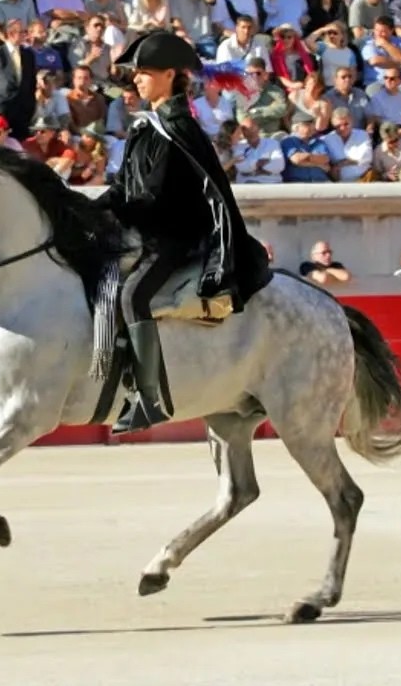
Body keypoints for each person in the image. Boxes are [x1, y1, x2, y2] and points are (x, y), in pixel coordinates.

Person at [89, 30, 272, 435]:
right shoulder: (146, 126)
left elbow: (153, 198)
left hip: (176, 240)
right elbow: (123, 190)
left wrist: (118, 213)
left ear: (170, 75)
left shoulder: (180, 129)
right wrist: (83, 210)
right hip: (145, 233)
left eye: (144, 73)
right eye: (135, 74)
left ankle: (151, 399)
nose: (135, 79)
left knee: (134, 294)